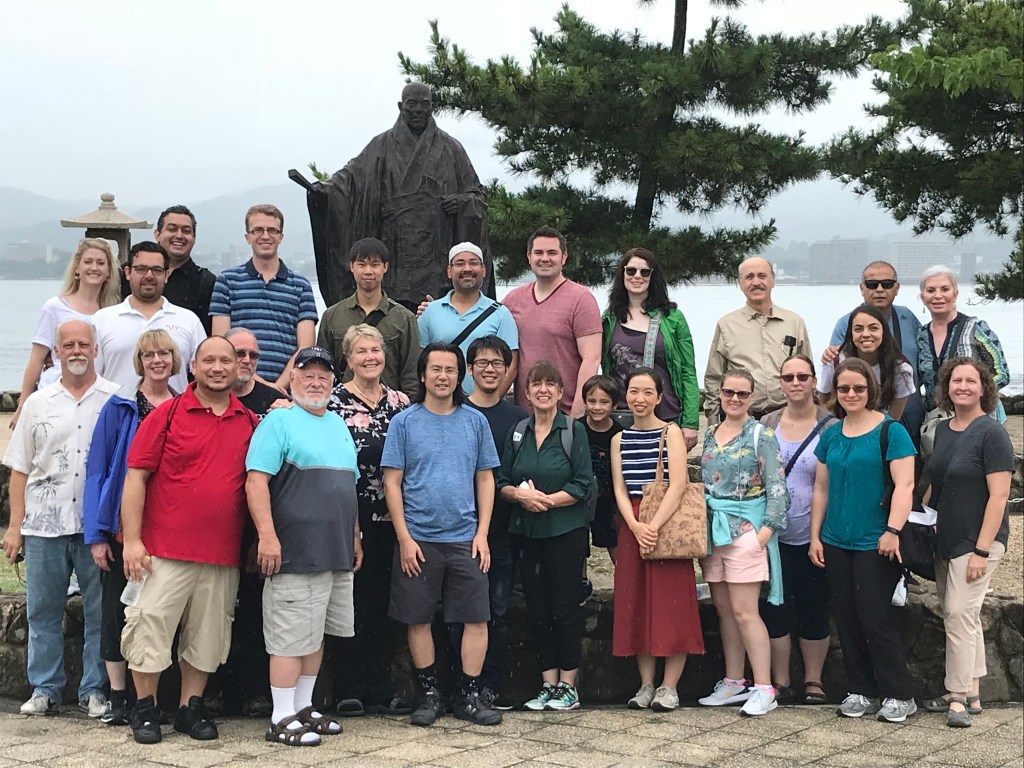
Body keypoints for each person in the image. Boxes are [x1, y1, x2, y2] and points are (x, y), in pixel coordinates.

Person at [120, 336, 255, 744]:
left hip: (221, 553)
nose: (218, 368)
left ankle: (189, 708)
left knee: (208, 636)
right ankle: (145, 708)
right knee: (149, 627)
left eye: (226, 361)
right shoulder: (167, 414)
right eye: (209, 360)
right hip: (163, 549)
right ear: (194, 367)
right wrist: (132, 541)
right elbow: (135, 477)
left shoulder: (250, 422)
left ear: (237, 368)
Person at [380, 343, 502, 727]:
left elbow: (486, 479)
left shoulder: (475, 422)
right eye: (436, 369)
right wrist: (404, 538)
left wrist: (482, 533)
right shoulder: (404, 422)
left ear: (460, 375)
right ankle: (429, 695)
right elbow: (392, 482)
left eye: (451, 370)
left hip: (466, 537)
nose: (443, 376)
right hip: (418, 538)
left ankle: (469, 695)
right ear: (422, 374)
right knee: (417, 619)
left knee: (476, 618)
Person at [2, 320, 119, 718]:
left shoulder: (114, 400)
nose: (76, 351)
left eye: (83, 344)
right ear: (56, 352)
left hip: (95, 528)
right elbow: (20, 469)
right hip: (43, 525)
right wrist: (14, 527)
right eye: (68, 345)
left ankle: (94, 690)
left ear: (96, 349)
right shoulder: (37, 403)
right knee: (42, 611)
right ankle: (45, 688)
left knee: (99, 613)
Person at [246, 346, 361, 747]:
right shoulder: (278, 422)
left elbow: (348, 486)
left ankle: (303, 706)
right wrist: (266, 535)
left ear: (333, 382)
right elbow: (256, 481)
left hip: (335, 551)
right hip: (294, 551)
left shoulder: (338, 424)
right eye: (307, 375)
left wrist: (355, 535)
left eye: (323, 376)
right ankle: (281, 716)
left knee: (316, 634)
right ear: (291, 379)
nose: (315, 382)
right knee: (289, 637)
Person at [305, 82, 490, 309]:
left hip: (435, 251)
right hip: (393, 250)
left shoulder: (451, 148)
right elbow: (350, 177)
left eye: (424, 104)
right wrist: (326, 190)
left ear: (432, 108)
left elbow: (477, 196)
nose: (418, 110)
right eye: (412, 104)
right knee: (392, 312)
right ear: (401, 106)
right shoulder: (381, 146)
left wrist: (463, 202)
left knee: (432, 314)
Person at [809, 358, 918, 723]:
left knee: (875, 617)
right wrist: (815, 536)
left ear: (871, 389)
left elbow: (905, 485)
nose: (851, 394)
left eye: (858, 387)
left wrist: (893, 531)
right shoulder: (831, 434)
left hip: (877, 541)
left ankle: (899, 693)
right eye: (844, 388)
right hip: (836, 539)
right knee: (846, 617)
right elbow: (821, 488)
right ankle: (861, 690)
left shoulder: (891, 431)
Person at [82, 330, 180, 727]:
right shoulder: (120, 406)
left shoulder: (183, 405)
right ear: (139, 361)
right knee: (115, 610)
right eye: (149, 354)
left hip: (169, 526)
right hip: (123, 527)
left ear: (174, 359)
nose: (157, 360)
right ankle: (118, 694)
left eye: (164, 353)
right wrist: (96, 534)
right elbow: (97, 470)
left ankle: (158, 697)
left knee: (161, 613)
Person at [496, 362, 594, 712]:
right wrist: (520, 496)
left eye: (550, 384)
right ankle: (547, 683)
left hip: (565, 532)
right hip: (527, 533)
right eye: (536, 384)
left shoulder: (573, 431)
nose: (543, 390)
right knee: (537, 610)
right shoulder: (518, 432)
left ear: (560, 391)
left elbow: (582, 483)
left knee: (564, 609)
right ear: (526, 392)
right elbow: (502, 481)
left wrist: (547, 501)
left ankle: (568, 684)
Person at [326, 324, 413, 718]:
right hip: (348, 517)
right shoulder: (333, 402)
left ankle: (380, 688)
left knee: (383, 602)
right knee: (349, 601)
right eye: (361, 351)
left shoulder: (401, 403)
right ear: (348, 359)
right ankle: (348, 688)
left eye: (375, 350)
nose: (370, 358)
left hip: (393, 519)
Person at [922, 357, 1014, 728]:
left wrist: (981, 550)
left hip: (979, 541)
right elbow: (935, 483)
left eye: (970, 381)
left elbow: (1000, 496)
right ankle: (973, 691)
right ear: (947, 387)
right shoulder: (943, 430)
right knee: (962, 615)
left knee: (959, 613)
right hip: (946, 537)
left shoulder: (992, 433)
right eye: (956, 380)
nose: (962, 387)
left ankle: (956, 696)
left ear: (983, 388)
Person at [610, 368, 704, 712]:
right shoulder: (619, 439)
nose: (640, 399)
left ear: (659, 397)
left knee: (672, 603)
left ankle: (670, 686)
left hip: (667, 520)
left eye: (648, 392)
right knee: (636, 603)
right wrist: (636, 527)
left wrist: (652, 526)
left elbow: (678, 484)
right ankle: (646, 683)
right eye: (634, 391)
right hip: (633, 523)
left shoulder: (671, 432)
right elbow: (620, 489)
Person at [698, 368, 790, 717]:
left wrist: (762, 535)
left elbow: (777, 488)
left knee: (745, 610)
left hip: (746, 530)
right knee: (725, 610)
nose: (734, 399)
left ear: (752, 397)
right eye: (728, 392)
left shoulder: (760, 435)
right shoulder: (710, 434)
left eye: (742, 394)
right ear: (719, 394)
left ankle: (764, 687)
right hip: (715, 530)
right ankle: (734, 680)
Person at [758, 355, 836, 705]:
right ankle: (781, 680)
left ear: (814, 381)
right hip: (772, 536)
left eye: (803, 376)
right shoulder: (767, 423)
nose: (796, 383)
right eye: (788, 377)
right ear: (780, 382)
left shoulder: (831, 426)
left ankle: (813, 680)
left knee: (813, 607)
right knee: (773, 608)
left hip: (813, 534)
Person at [460, 336, 528, 710]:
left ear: (507, 369)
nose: (490, 369)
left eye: (497, 363)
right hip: (457, 530)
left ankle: (490, 685)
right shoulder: (456, 411)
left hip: (503, 531)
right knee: (458, 613)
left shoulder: (518, 419)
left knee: (497, 611)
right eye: (482, 363)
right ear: (469, 369)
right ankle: (460, 686)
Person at [12, 238, 121, 428]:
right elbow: (36, 360)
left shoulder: (113, 312)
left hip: (95, 399)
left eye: (100, 263)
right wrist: (23, 404)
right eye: (88, 262)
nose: (94, 267)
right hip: (54, 394)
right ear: (77, 268)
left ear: (109, 271)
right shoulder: (55, 307)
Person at [210, 204, 318, 389]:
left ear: (281, 236)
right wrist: (259, 385)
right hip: (238, 390)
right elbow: (221, 344)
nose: (265, 236)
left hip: (286, 392)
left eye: (272, 230)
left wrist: (277, 388)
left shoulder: (301, 286)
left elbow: (305, 348)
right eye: (258, 230)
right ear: (248, 237)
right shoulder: (227, 281)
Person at [601, 248, 699, 450]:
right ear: (622, 274)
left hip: (666, 415)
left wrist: (690, 422)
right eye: (631, 271)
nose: (637, 276)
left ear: (653, 276)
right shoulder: (610, 318)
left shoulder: (673, 318)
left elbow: (687, 371)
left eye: (644, 272)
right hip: (623, 415)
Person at [503, 226, 602, 417]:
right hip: (523, 416)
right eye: (538, 252)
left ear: (564, 257)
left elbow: (592, 359)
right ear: (529, 256)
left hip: (564, 414)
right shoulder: (512, 300)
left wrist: (577, 415)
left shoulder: (581, 299)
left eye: (552, 253)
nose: (545, 258)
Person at [703, 257, 811, 424]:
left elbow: (807, 374)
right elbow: (714, 378)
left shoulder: (794, 322)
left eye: (762, 276)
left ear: (772, 281)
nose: (756, 282)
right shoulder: (727, 325)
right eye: (749, 277)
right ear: (740, 284)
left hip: (786, 417)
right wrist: (713, 423)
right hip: (742, 417)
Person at [828, 261, 924, 444]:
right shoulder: (846, 324)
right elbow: (835, 372)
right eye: (872, 284)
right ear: (862, 288)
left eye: (887, 284)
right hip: (859, 427)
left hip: (911, 419)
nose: (880, 290)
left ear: (897, 288)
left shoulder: (907, 317)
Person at [93, 241, 207, 393]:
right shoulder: (102, 320)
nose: (149, 276)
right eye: (141, 269)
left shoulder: (189, 321)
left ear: (166, 275)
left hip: (173, 407)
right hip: (116, 407)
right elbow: (92, 376)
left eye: (157, 270)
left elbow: (204, 374)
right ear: (127, 272)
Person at [316, 237, 420, 398]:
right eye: (362, 264)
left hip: (389, 406)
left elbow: (411, 376)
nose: (368, 271)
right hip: (342, 405)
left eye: (375, 264)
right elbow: (322, 369)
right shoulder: (333, 316)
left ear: (385, 267)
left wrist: (406, 408)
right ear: (352, 266)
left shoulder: (404, 319)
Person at [418, 242, 519, 396]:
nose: (467, 269)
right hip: (441, 404)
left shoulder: (500, 314)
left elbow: (511, 365)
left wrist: (489, 401)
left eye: (473, 263)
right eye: (460, 263)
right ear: (449, 271)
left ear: (483, 270)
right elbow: (420, 360)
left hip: (486, 405)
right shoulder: (430, 312)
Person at [917, 265, 1010, 419]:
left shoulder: (976, 328)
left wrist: (971, 393)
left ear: (955, 294)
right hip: (938, 421)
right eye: (931, 290)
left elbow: (1002, 373)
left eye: (945, 289)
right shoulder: (921, 336)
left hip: (982, 419)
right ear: (923, 298)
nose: (938, 296)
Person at [819, 304, 915, 420]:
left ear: (884, 331)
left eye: (873, 328)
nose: (865, 334)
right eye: (858, 329)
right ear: (851, 333)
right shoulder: (834, 361)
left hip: (881, 428)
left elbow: (893, 419)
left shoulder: (901, 369)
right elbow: (824, 405)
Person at [151, 205, 216, 335]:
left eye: (186, 231)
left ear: (194, 238)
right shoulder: (136, 275)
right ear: (157, 234)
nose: (179, 236)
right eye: (172, 229)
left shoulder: (206, 282)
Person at [582, 375, 624, 564]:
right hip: (581, 499)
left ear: (614, 404)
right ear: (585, 402)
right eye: (592, 401)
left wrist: (619, 508)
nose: (597, 407)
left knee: (615, 543)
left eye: (604, 402)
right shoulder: (576, 429)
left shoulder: (620, 433)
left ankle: (624, 580)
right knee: (578, 546)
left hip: (609, 499)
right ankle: (580, 580)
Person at [225, 327, 286, 416]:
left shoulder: (274, 400)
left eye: (253, 355)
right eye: (240, 353)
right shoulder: (209, 396)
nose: (247, 360)